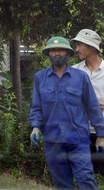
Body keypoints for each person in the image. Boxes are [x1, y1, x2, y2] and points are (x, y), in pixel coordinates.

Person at [30, 36, 104, 190]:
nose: (57, 53)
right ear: (48, 53)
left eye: (61, 50)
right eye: (53, 50)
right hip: (53, 142)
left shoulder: (81, 77)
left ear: (68, 53)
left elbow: (93, 108)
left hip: (78, 141)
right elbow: (37, 107)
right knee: (62, 184)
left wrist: (101, 135)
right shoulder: (40, 78)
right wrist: (35, 127)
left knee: (86, 181)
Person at [71, 29, 104, 175]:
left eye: (80, 45)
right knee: (84, 176)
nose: (76, 49)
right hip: (81, 133)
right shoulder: (73, 71)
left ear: (92, 47)